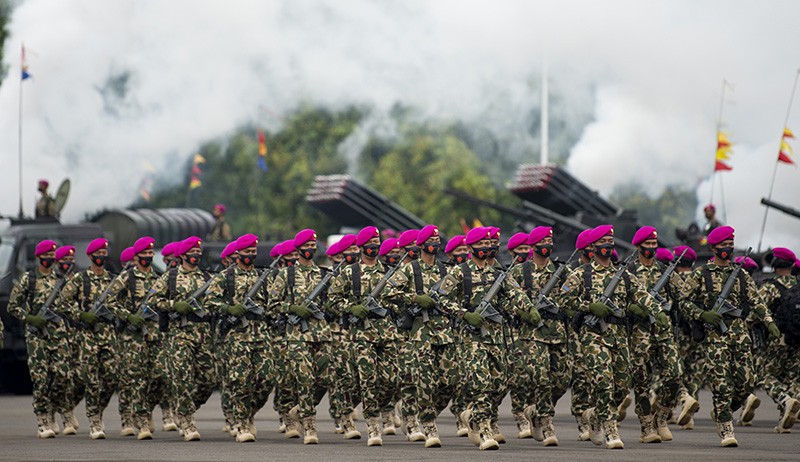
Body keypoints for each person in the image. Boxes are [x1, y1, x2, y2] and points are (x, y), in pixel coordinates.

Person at [559, 225, 664, 449]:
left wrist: (658, 312)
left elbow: (642, 296)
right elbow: (563, 299)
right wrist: (589, 306)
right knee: (603, 382)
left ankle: (596, 415)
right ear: (593, 246)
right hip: (593, 336)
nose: (607, 245)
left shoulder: (623, 275)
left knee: (622, 387)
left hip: (619, 336)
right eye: (602, 241)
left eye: (610, 241)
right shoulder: (582, 274)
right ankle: (610, 429)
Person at [677, 226, 780, 447]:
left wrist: (769, 322)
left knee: (747, 382)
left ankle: (723, 410)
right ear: (713, 248)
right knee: (721, 383)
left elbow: (756, 301)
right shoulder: (701, 274)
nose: (728, 248)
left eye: (730, 244)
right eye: (724, 245)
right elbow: (683, 301)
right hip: (715, 336)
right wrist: (702, 314)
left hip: (740, 335)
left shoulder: (740, 274)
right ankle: (725, 426)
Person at [439, 226, 533, 450]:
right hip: (470, 338)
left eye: (488, 244)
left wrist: (528, 308)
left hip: (496, 336)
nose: (486, 247)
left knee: (499, 384)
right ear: (470, 247)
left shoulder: (498, 274)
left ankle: (473, 417)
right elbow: (441, 298)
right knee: (481, 383)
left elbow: (515, 293)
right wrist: (464, 314)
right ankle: (483, 430)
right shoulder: (460, 272)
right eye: (481, 244)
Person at [329, 226, 400, 446]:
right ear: (361, 247)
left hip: (387, 333)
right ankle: (373, 426)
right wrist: (351, 307)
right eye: (370, 243)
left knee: (391, 380)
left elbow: (401, 297)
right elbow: (332, 300)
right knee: (368, 380)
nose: (374, 246)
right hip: (361, 335)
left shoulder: (389, 272)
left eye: (377, 243)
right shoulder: (349, 273)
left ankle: (371, 409)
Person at [151, 236, 217, 441]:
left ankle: (185, 408)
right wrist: (173, 305)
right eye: (192, 252)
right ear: (182, 256)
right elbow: (153, 299)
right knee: (182, 378)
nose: (196, 255)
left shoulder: (206, 278)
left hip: (202, 334)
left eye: (198, 252)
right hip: (178, 334)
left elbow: (216, 301)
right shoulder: (170, 277)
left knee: (209, 379)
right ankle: (187, 421)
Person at [7, 240, 73, 438]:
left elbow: (69, 305)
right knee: (41, 378)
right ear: (38, 258)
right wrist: (30, 318)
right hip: (37, 337)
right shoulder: (29, 279)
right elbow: (13, 306)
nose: (50, 259)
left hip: (58, 335)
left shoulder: (60, 279)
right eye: (46, 256)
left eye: (52, 256)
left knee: (63, 376)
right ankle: (43, 420)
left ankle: (54, 407)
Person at [626, 226, 684, 444]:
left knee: (675, 375)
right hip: (639, 334)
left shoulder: (664, 270)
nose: (652, 247)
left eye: (654, 243)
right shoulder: (629, 271)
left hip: (663, 332)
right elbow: (621, 301)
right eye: (648, 244)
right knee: (642, 382)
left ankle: (661, 416)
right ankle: (646, 426)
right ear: (639, 246)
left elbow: (683, 296)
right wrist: (634, 309)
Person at [59, 238, 118, 440]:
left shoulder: (112, 280)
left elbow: (122, 303)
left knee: (111, 377)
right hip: (87, 336)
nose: (101, 256)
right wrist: (80, 315)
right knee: (91, 380)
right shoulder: (80, 279)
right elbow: (61, 303)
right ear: (90, 256)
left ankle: (98, 410)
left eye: (104, 253)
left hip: (108, 334)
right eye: (98, 253)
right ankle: (94, 421)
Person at [107, 236, 161, 440]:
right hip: (132, 337)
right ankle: (142, 421)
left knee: (158, 376)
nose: (148, 256)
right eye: (144, 253)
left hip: (154, 334)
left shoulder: (157, 278)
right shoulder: (126, 277)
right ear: (136, 257)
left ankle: (146, 409)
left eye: (150, 253)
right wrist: (128, 316)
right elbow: (109, 301)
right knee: (137, 379)